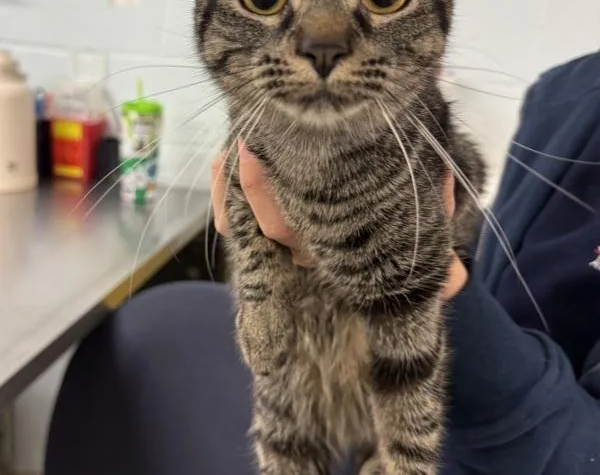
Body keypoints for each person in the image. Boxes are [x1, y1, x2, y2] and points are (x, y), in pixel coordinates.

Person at [45, 52, 600, 475]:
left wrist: (417, 261)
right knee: (193, 355)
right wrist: (262, 274)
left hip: (476, 411)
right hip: (435, 388)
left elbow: (463, 180)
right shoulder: (562, 92)